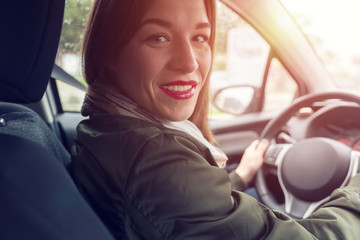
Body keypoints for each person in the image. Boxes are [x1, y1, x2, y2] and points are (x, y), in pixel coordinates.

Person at [70, 0, 360, 239]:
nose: (189, 62)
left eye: (199, 38)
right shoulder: (155, 160)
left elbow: (194, 210)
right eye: (158, 37)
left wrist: (242, 175)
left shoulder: (106, 130)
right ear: (111, 53)